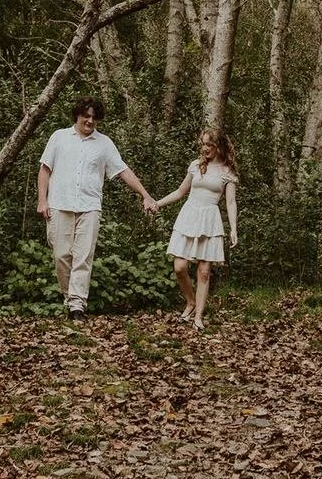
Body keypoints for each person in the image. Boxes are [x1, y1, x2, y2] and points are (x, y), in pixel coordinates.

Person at [38, 97, 158, 319]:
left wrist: (145, 194)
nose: (90, 121)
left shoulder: (104, 143)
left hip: (90, 206)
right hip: (59, 204)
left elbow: (123, 171)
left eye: (94, 117)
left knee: (83, 257)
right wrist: (42, 200)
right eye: (86, 116)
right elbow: (45, 169)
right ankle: (70, 297)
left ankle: (76, 306)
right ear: (77, 115)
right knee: (61, 254)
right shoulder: (59, 137)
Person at [154, 128, 239, 331]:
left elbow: (231, 203)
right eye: (203, 144)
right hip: (189, 217)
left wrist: (233, 229)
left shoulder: (228, 172)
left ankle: (198, 316)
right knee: (180, 267)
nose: (205, 148)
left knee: (203, 271)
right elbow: (180, 192)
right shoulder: (195, 165)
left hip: (209, 220)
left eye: (209, 144)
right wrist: (158, 203)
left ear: (219, 146)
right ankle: (190, 302)